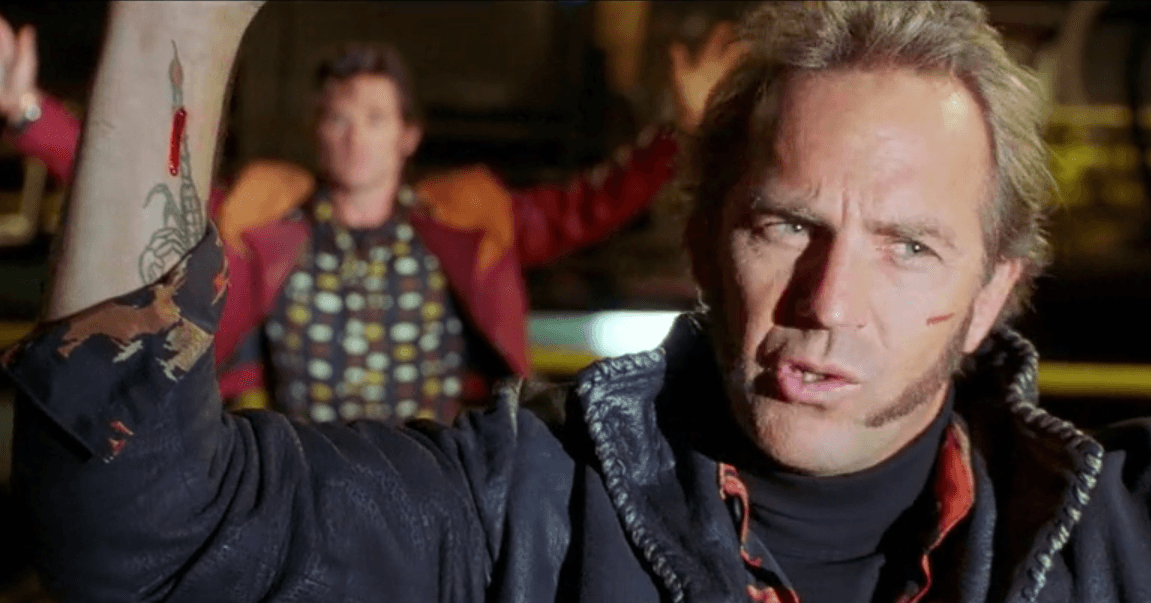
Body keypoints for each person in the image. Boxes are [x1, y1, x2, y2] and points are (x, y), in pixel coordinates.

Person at [7, 1, 1151, 602]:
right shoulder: (518, 512)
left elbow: (581, 208)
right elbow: (135, 527)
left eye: (907, 247)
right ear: (703, 240)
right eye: (784, 224)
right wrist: (173, 21)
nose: (828, 301)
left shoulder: (1116, 540)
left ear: (993, 294)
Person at [0, 11, 745, 424]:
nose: (355, 134)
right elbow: (159, 195)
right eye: (338, 116)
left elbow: (590, 205)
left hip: (440, 467)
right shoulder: (268, 214)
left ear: (407, 135)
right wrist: (29, 115)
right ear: (316, 131)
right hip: (300, 467)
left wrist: (680, 135)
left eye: (374, 117)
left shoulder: (467, 217)